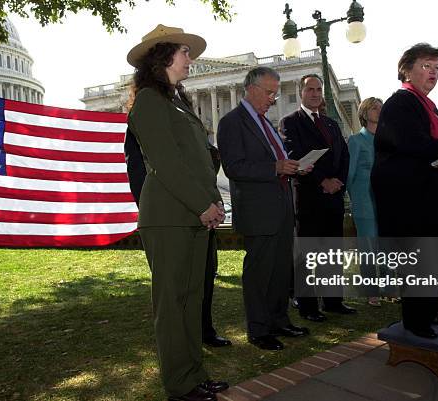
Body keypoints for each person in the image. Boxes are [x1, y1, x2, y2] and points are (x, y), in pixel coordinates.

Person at [126, 24, 228, 401]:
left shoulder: (176, 101)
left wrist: (212, 203)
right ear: (163, 56)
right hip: (169, 215)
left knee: (191, 300)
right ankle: (180, 384)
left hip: (191, 213)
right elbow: (167, 163)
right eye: (185, 52)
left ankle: (195, 374)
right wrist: (203, 205)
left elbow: (198, 161)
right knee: (172, 305)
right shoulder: (150, 102)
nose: (191, 59)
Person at [371, 43, 438, 339]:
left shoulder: (429, 106)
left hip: (434, 200)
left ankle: (430, 311)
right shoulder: (401, 102)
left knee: (434, 257)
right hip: (411, 202)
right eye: (427, 66)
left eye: (437, 68)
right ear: (407, 69)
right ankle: (416, 321)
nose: (433, 73)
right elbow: (411, 143)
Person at [217, 66, 310, 351]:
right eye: (269, 92)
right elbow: (234, 167)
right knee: (260, 272)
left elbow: (277, 159)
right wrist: (276, 167)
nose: (273, 98)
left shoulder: (266, 122)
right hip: (258, 210)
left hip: (281, 204)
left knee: (282, 268)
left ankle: (279, 320)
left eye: (275, 92)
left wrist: (294, 167)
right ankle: (259, 329)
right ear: (251, 88)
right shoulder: (232, 122)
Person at [124, 127, 231, 348]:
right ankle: (181, 343)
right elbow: (137, 171)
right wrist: (151, 209)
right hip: (169, 216)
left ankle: (204, 329)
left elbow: (209, 159)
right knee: (175, 286)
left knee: (205, 274)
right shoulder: (145, 119)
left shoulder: (186, 121)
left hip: (201, 211)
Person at [280, 74, 356, 322]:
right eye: (310, 89)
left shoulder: (332, 124)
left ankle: (333, 301)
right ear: (301, 92)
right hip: (308, 196)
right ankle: (308, 306)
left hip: (333, 198)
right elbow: (295, 154)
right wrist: (323, 180)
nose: (315, 93)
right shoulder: (290, 122)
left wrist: (338, 182)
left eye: (318, 89)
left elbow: (344, 156)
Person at [347, 97, 387, 307]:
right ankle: (372, 291)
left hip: (387, 200)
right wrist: (354, 201)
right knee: (369, 246)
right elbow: (350, 175)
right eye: (374, 107)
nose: (378, 110)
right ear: (364, 112)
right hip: (364, 201)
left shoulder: (387, 141)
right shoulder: (356, 140)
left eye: (381, 107)